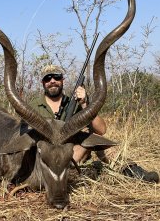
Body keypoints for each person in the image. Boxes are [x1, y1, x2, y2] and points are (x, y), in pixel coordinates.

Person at [28, 64, 159, 183]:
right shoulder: (33, 106)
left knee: (98, 141)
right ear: (43, 83)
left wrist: (85, 104)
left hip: (74, 151)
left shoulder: (75, 103)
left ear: (63, 80)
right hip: (47, 157)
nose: (52, 81)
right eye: (47, 78)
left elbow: (101, 130)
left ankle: (133, 171)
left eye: (56, 77)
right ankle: (79, 172)